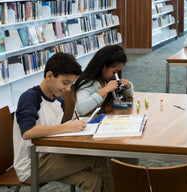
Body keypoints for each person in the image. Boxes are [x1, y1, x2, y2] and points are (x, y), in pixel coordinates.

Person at [13, 52, 113, 192]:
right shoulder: (30, 97)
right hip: (31, 165)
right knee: (98, 160)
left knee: (92, 180)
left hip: (50, 155)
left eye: (71, 84)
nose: (67, 89)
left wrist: (70, 129)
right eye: (65, 83)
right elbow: (28, 132)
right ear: (49, 76)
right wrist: (66, 128)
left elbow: (54, 133)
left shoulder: (59, 101)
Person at [73, 44, 134, 116]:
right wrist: (104, 90)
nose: (116, 75)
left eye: (118, 72)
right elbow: (81, 109)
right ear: (103, 67)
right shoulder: (87, 83)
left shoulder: (106, 80)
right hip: (82, 122)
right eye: (115, 72)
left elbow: (129, 95)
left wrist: (128, 86)